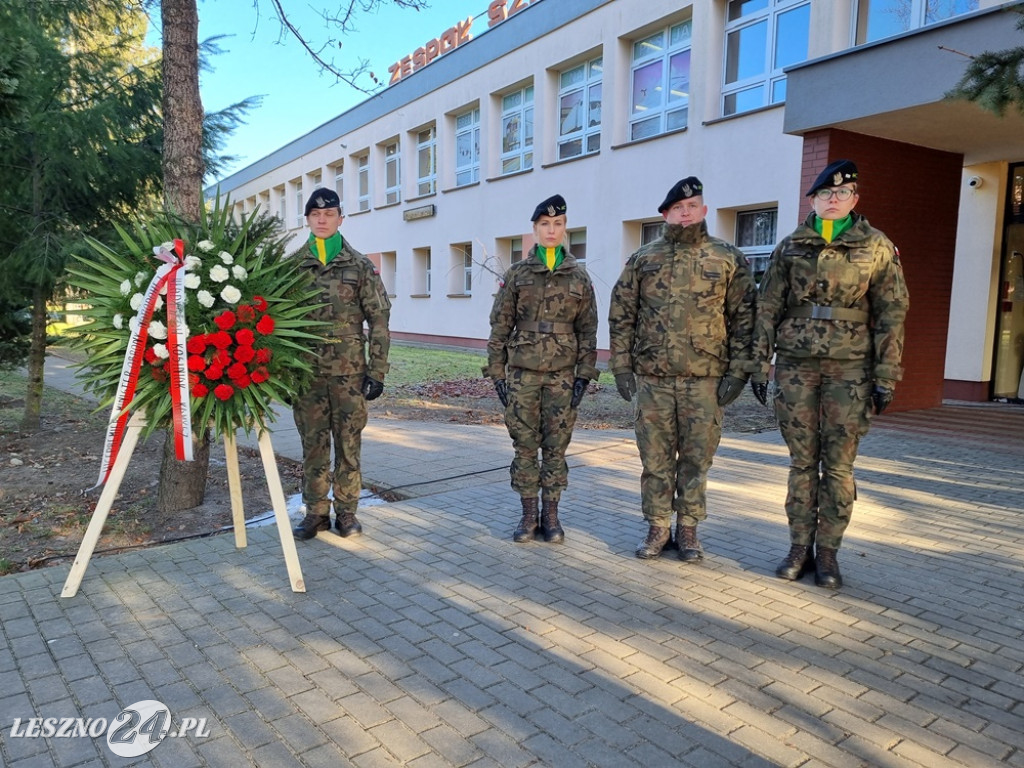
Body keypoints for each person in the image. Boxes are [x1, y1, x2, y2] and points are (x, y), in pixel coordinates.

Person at [750, 159, 909, 589]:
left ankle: (830, 554)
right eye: (825, 194)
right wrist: (759, 364)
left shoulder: (876, 247)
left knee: (838, 468)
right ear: (814, 199)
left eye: (841, 193)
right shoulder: (790, 246)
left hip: (850, 371)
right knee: (802, 463)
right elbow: (767, 308)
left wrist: (886, 375)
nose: (833, 199)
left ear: (854, 198)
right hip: (797, 368)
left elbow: (892, 313)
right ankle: (799, 546)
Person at [608, 177, 756, 562]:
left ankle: (688, 529)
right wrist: (621, 367)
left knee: (696, 458)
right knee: (654, 459)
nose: (685, 213)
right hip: (654, 378)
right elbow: (622, 316)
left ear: (704, 210)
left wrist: (740, 371)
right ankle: (658, 527)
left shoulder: (727, 257)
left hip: (705, 380)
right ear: (666, 214)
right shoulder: (644, 259)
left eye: (693, 206)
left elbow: (744, 318)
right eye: (678, 208)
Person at [484, 194, 599, 543]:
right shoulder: (518, 274)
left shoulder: (579, 277)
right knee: (524, 445)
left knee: (556, 446)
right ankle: (528, 516)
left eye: (558, 224)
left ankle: (552, 517)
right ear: (534, 229)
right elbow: (499, 326)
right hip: (523, 375)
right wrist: (496, 372)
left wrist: (585, 374)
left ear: (565, 229)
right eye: (545, 224)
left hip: (563, 376)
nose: (552, 230)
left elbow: (588, 330)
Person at [291, 188, 391, 540]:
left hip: (350, 373)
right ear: (307, 219)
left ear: (340, 219)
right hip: (308, 373)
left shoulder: (360, 265)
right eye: (315, 215)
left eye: (329, 214)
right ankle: (316, 513)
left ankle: (347, 512)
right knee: (313, 446)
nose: (322, 220)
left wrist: (377, 371)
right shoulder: (292, 267)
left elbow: (379, 319)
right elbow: (274, 323)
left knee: (349, 445)